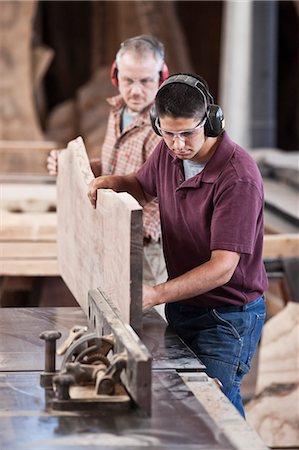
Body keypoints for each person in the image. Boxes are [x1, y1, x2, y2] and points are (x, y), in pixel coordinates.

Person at [87, 73, 269, 417]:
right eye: (168, 133)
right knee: (188, 407)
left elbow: (222, 267)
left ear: (211, 121)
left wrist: (156, 293)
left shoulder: (238, 177)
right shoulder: (168, 153)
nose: (178, 145)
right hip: (186, 305)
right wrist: (113, 183)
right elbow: (142, 187)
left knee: (217, 410)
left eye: (188, 133)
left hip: (227, 314)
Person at [47, 35, 168, 286]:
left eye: (145, 81)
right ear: (116, 76)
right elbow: (114, 167)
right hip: (113, 232)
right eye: (128, 80)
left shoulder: (163, 129)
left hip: (144, 242)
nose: (135, 91)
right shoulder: (118, 110)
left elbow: (152, 189)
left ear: (161, 77)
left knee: (150, 315)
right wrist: (71, 166)